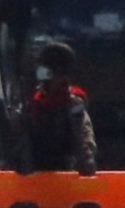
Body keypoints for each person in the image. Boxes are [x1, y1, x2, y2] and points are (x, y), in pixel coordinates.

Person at [21, 37, 98, 174]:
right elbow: (23, 141)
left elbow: (83, 138)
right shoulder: (34, 103)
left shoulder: (74, 104)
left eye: (47, 70)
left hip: (67, 176)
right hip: (36, 178)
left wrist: (86, 169)